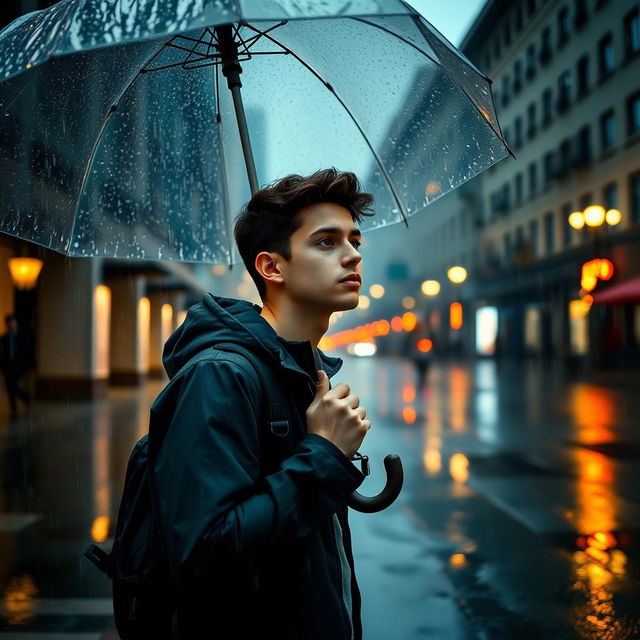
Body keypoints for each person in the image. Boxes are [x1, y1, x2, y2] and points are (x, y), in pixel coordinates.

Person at [149, 168, 375, 639]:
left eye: (354, 239)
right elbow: (202, 553)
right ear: (272, 267)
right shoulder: (220, 375)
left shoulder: (300, 372)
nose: (353, 255)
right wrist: (324, 455)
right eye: (327, 242)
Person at [0, 314, 33, 420]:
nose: (10, 324)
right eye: (8, 323)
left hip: (19, 366)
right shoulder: (4, 338)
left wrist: (27, 365)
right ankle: (14, 407)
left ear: (16, 323)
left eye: (12, 322)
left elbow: (28, 351)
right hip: (7, 366)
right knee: (10, 386)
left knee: (12, 386)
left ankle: (25, 397)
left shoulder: (23, 336)